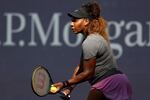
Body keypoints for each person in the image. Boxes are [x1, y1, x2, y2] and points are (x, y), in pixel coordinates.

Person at [50, 1, 132, 100]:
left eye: (75, 20)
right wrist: (69, 89)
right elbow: (80, 68)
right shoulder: (91, 39)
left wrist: (63, 84)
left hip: (109, 83)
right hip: (118, 82)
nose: (71, 24)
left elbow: (88, 73)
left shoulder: (90, 41)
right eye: (71, 20)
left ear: (86, 21)